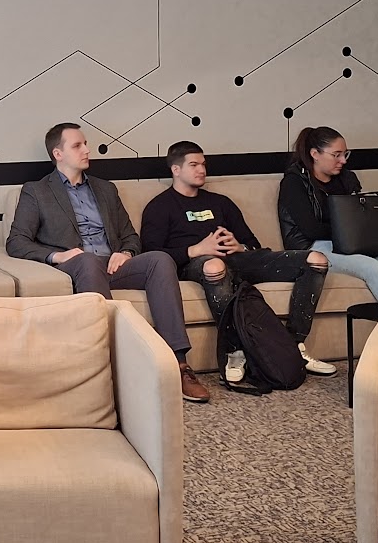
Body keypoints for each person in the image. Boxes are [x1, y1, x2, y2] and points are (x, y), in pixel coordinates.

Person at [6, 123, 210, 403]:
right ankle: (111, 367)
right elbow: (17, 241)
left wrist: (125, 252)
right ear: (58, 154)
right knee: (88, 261)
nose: (87, 150)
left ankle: (178, 364)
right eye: (77, 145)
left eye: (85, 143)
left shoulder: (105, 189)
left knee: (160, 260)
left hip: (113, 265)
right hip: (77, 264)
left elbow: (130, 236)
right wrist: (58, 256)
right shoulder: (37, 191)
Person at [140, 141, 336, 385]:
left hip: (238, 260)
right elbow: (151, 254)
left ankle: (294, 344)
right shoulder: (160, 207)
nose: (202, 170)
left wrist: (240, 246)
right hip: (197, 265)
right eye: (194, 165)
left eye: (203, 164)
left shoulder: (221, 202)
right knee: (214, 266)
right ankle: (234, 351)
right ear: (176, 170)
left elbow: (253, 243)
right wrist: (196, 250)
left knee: (316, 260)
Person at [279, 126, 378, 305]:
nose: (343, 160)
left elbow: (359, 218)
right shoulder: (294, 182)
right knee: (370, 266)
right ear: (315, 154)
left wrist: (359, 233)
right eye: (336, 155)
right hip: (313, 247)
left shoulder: (346, 179)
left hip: (354, 242)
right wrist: (350, 232)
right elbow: (311, 229)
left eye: (345, 154)